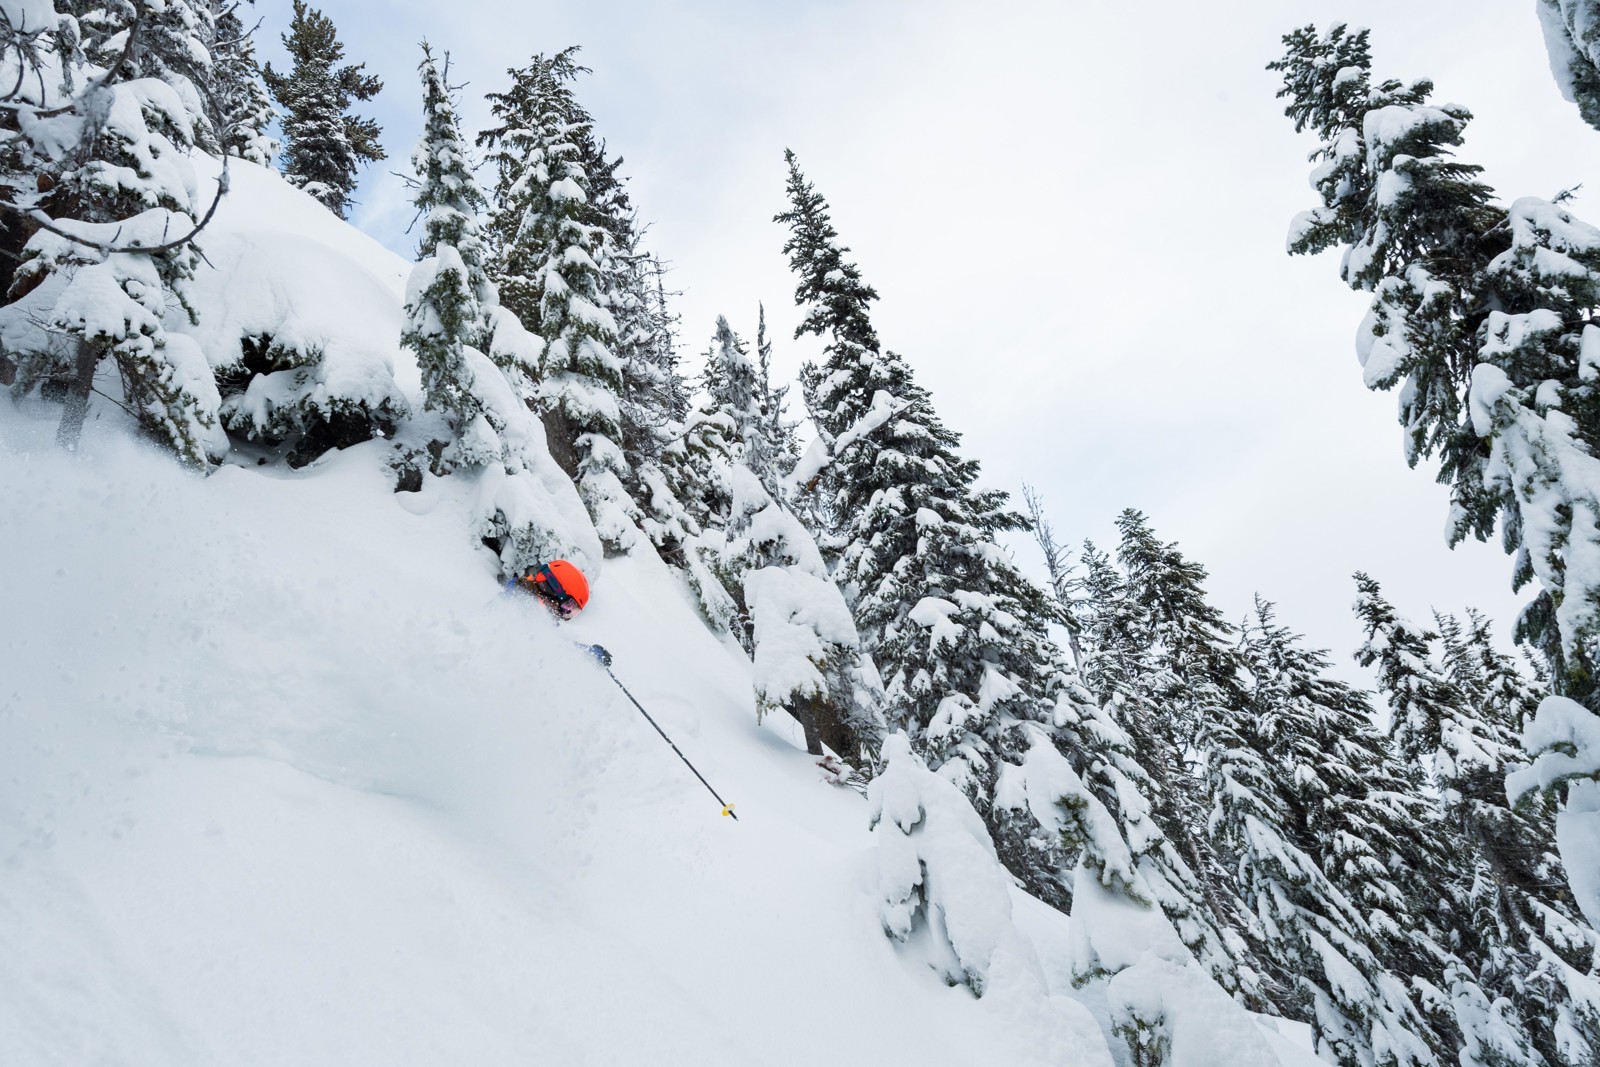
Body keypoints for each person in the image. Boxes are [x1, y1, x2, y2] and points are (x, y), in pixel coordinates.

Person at [505, 560, 612, 667]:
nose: (564, 614)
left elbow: (557, 641)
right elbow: (552, 648)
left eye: (572, 611)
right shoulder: (522, 606)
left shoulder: (536, 609)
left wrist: (590, 653)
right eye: (568, 605)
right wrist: (588, 653)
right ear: (553, 590)